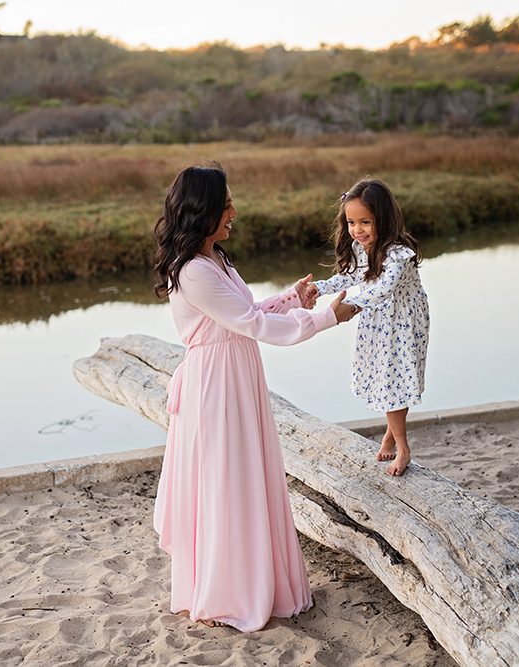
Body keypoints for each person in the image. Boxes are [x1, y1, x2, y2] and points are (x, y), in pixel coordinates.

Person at [152, 164, 358, 632]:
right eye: (225, 205)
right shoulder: (193, 271)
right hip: (215, 386)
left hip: (236, 375)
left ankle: (255, 581)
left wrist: (292, 299)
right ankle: (229, 592)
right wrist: (326, 318)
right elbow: (253, 326)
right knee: (227, 479)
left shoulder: (217, 261)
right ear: (201, 210)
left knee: (246, 474)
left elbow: (246, 312)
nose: (234, 213)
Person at [309, 177, 430, 477]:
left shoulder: (398, 253)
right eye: (352, 222)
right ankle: (391, 433)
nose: (357, 230)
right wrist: (319, 288)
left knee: (395, 382)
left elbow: (385, 288)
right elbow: (348, 277)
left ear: (384, 219)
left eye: (365, 222)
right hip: (378, 321)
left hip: (402, 322)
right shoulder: (361, 247)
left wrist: (355, 305)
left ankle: (402, 447)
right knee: (387, 378)